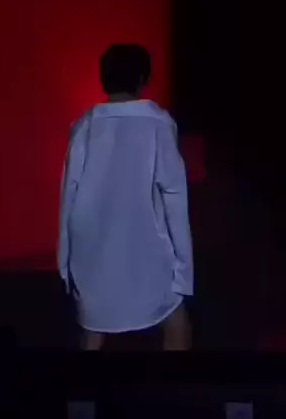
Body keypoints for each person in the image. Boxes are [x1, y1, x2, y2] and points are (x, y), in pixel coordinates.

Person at [58, 44, 193, 351]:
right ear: (143, 79)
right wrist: (184, 270)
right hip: (148, 255)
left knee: (92, 333)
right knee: (175, 321)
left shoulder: (84, 126)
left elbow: (68, 198)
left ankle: (84, 386)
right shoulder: (157, 123)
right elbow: (174, 197)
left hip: (94, 256)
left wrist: (66, 265)